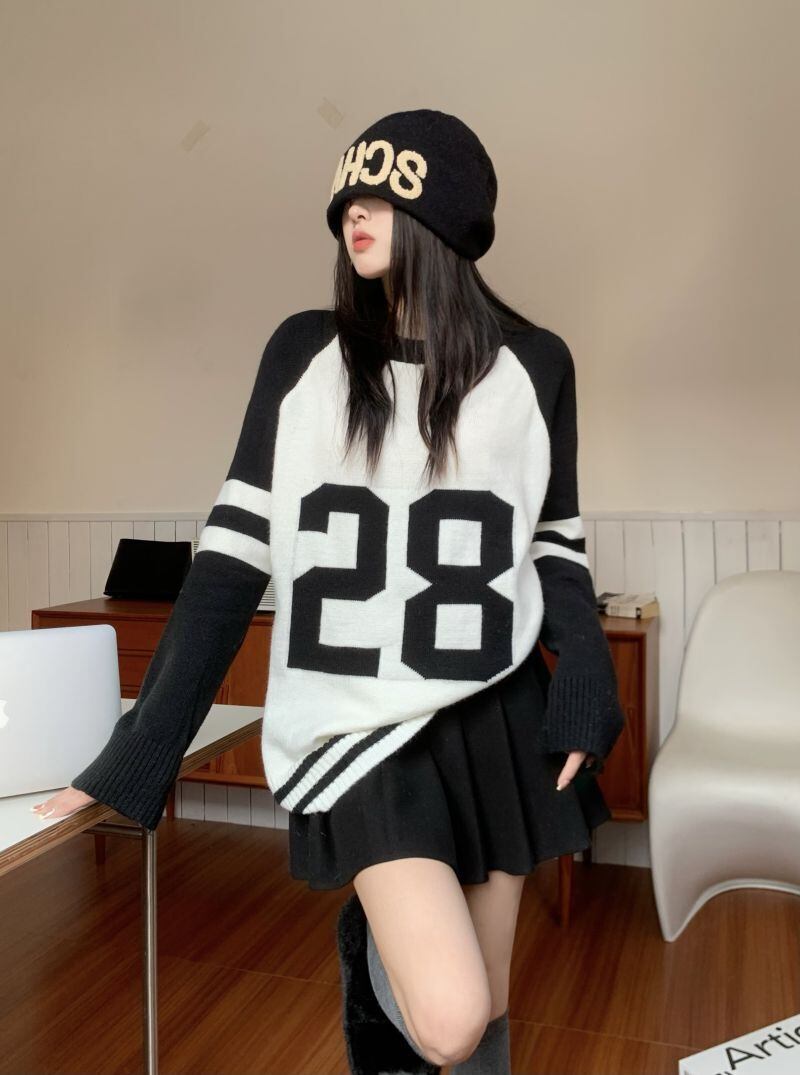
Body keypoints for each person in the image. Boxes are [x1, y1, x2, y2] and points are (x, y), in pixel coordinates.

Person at [32, 109, 625, 1074]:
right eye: (348, 196)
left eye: (381, 195)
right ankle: (368, 954)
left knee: (488, 1012)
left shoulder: (536, 364)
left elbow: (554, 545)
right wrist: (140, 751)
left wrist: (587, 673)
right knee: (449, 1015)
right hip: (355, 720)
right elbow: (231, 562)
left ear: (444, 217)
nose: (354, 212)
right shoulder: (305, 353)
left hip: (492, 708)